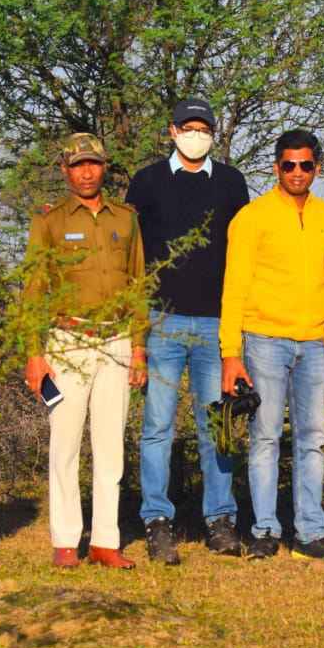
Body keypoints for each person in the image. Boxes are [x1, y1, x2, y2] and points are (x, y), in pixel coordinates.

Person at [219, 129, 324, 563]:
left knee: (313, 439)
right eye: (289, 165)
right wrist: (230, 352)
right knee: (265, 438)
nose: (297, 172)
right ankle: (264, 530)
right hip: (263, 340)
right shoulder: (252, 217)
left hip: (314, 343)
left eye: (306, 165)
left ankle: (310, 534)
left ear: (317, 167)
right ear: (276, 167)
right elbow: (234, 287)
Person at [127, 99, 250, 564]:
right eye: (188, 127)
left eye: (204, 128)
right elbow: (130, 248)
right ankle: (157, 520)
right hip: (161, 321)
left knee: (217, 424)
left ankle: (220, 519)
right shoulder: (148, 180)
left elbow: (243, 249)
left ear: (213, 135)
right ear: (172, 131)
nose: (195, 134)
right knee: (157, 427)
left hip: (217, 324)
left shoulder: (232, 182)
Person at [22, 133, 148, 570]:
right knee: (66, 444)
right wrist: (34, 353)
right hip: (67, 342)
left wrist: (138, 348)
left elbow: (138, 286)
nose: (87, 172)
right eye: (78, 165)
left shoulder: (127, 218)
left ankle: (105, 541)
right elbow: (33, 290)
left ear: (105, 166)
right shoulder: (50, 221)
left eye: (93, 163)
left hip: (116, 340)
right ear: (65, 169)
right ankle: (65, 540)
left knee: (111, 446)